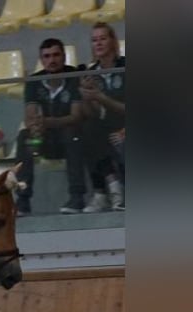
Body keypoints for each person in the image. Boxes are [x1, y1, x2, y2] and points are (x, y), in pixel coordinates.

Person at [14, 38, 87, 216]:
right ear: (41, 59)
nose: (51, 60)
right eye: (46, 56)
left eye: (56, 55)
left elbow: (76, 116)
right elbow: (30, 115)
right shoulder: (33, 81)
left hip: (68, 138)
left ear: (64, 56)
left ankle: (77, 197)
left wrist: (47, 122)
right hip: (44, 139)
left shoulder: (74, 77)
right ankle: (23, 199)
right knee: (25, 137)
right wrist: (35, 128)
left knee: (72, 133)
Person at [80, 21, 126, 213]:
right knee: (87, 128)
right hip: (106, 128)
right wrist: (87, 98)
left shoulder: (125, 66)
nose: (98, 43)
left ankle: (112, 191)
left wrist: (100, 96)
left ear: (113, 41)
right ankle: (108, 189)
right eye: (94, 40)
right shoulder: (92, 73)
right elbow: (94, 114)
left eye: (102, 39)